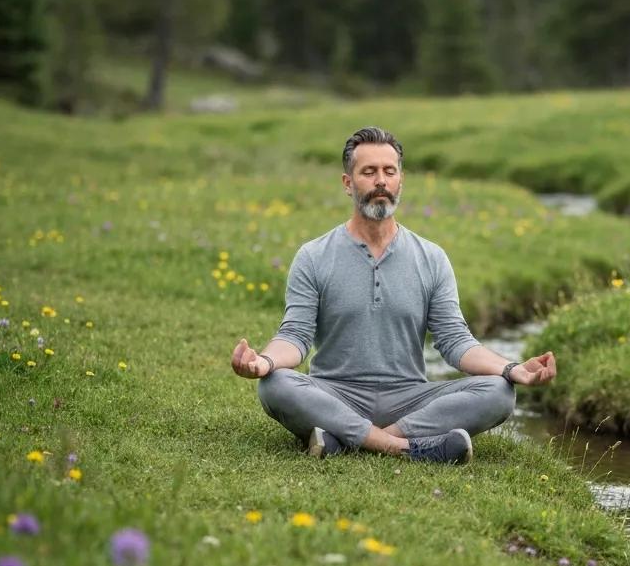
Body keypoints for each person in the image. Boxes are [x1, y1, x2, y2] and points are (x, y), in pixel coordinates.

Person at [230, 126, 557, 464]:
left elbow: (456, 341)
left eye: (389, 171)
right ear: (348, 183)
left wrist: (512, 368)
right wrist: (264, 362)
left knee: (499, 392)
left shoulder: (432, 258)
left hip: (409, 397)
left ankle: (344, 439)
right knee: (274, 385)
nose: (381, 181)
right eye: (368, 172)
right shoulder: (313, 256)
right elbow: (295, 337)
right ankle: (405, 447)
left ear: (401, 180)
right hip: (335, 393)